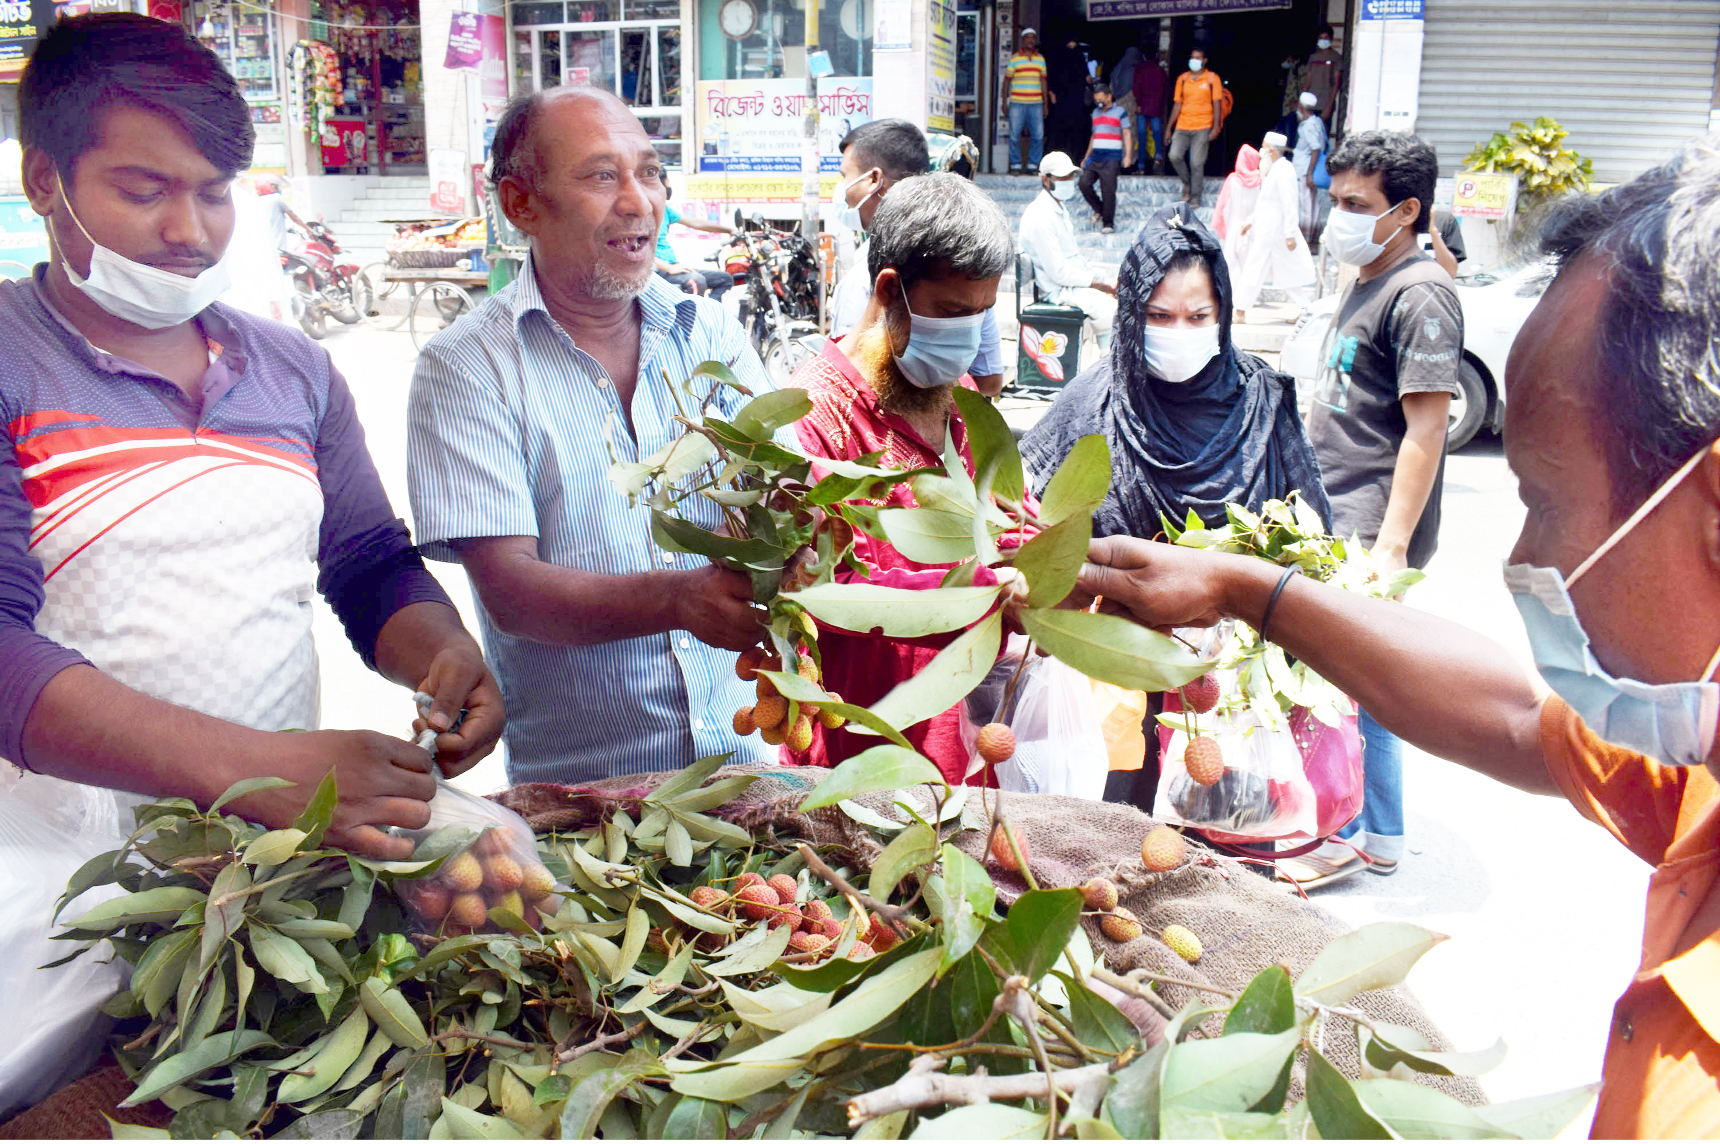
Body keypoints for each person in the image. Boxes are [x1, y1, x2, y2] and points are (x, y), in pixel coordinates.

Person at [1072, 133, 1720, 1139]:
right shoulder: (1696, 758)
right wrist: (1247, 588)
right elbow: (1513, 719)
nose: (1523, 554)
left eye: (1544, 501)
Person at [2, 13, 501, 855]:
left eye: (213, 191)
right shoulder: (15, 363)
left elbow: (368, 563)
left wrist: (445, 652)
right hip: (54, 872)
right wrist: (263, 772)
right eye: (143, 191)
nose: (189, 232)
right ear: (46, 180)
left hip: (263, 876)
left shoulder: (292, 369)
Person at [407, 87, 787, 785]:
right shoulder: (466, 368)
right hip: (584, 802)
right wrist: (677, 600)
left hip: (748, 771)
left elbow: (783, 500)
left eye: (649, 172)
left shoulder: (713, 336)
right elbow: (512, 592)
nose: (639, 201)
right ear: (522, 204)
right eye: (602, 175)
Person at [1021, 203, 1327, 806]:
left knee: (1225, 868)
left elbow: (1310, 535)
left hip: (1226, 697)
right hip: (1113, 686)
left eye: (1198, 315)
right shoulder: (1093, 404)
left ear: (1223, 315)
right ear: (1133, 316)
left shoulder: (1261, 401)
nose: (1179, 331)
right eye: (1159, 316)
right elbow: (1033, 526)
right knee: (1119, 860)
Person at [786, 173, 1022, 783]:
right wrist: (987, 592)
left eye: (983, 314)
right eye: (952, 312)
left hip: (963, 750)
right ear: (890, 290)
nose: (969, 335)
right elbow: (829, 594)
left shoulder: (961, 395)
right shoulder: (811, 417)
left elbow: (998, 518)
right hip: (858, 757)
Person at [1289, 130, 1462, 889]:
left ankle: (1362, 833)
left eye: (1357, 205)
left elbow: (1427, 426)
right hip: (1337, 507)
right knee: (1351, 675)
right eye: (1335, 200)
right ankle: (1369, 826)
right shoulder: (1371, 273)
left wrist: (1390, 546)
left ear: (1407, 210)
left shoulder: (1419, 293)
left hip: (1370, 521)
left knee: (1359, 677)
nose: (1339, 219)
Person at [829, 119, 1004, 396]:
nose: (842, 191)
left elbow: (847, 382)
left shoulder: (956, 265)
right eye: (954, 311)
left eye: (844, 176)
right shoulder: (955, 259)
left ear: (873, 179)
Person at [1018, 151, 1117, 351]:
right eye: (1062, 177)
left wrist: (1102, 279)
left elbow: (1073, 259)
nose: (1068, 181)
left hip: (1067, 285)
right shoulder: (1040, 215)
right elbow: (1058, 273)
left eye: (1070, 176)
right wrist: (1099, 284)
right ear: (1046, 180)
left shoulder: (1059, 209)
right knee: (1111, 310)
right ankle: (1109, 368)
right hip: (1054, 290)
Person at [1232, 132, 1314, 323]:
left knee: (1254, 269)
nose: (1261, 153)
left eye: (1264, 147)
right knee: (1284, 273)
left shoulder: (1284, 170)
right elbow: (1266, 203)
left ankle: (1240, 310)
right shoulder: (1276, 170)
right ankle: (1307, 309)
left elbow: (1289, 204)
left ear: (1271, 150)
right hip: (1267, 230)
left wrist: (1290, 234)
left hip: (1275, 232)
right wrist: (1250, 221)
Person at [653, 172, 733, 299]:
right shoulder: (642, 215)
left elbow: (696, 222)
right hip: (656, 271)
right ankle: (695, 318)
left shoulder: (665, 210)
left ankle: (710, 315)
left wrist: (730, 230)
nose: (669, 188)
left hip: (673, 266)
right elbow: (638, 250)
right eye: (667, 184)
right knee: (697, 281)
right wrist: (668, 268)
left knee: (724, 279)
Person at [1165, 48, 1225, 204]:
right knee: (1174, 155)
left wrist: (1216, 127)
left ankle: (1195, 197)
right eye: (1192, 58)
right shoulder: (1183, 79)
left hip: (1203, 126)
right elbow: (1177, 105)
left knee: (1196, 163)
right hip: (1182, 125)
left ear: (1205, 60)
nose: (1194, 61)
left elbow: (1217, 104)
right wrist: (1168, 128)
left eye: (1198, 58)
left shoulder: (1212, 79)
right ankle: (1187, 184)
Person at [1078, 83, 1132, 235]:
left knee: (1108, 190)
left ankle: (1108, 223)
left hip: (1112, 157)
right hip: (1095, 157)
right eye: (1097, 100)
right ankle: (1099, 209)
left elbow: (1127, 134)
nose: (1099, 103)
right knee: (1083, 183)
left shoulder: (1120, 112)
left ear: (1109, 97)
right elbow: (1094, 136)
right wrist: (1086, 157)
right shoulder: (1095, 113)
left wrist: (1127, 156)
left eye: (1102, 99)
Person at [1002, 29, 1048, 175]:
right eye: (1027, 38)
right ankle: (1015, 165)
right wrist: (1004, 101)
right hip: (1017, 102)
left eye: (1033, 38)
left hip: (1036, 103)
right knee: (1014, 134)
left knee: (1038, 135)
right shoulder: (1015, 59)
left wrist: (1045, 103)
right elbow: (1006, 81)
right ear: (1022, 40)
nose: (1030, 40)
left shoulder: (1040, 59)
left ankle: (1033, 165)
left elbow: (1043, 81)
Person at [1211, 142, 1262, 267]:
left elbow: (1224, 206)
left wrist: (1224, 226)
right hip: (1254, 225)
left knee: (1232, 262)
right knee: (1251, 263)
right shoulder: (1261, 180)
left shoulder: (1233, 179)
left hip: (1234, 224)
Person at [1045, 33, 1093, 160]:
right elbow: (1051, 75)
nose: (1072, 47)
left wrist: (1089, 79)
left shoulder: (1079, 57)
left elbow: (1085, 74)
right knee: (1059, 129)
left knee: (1076, 130)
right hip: (1061, 99)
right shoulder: (1057, 57)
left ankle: (1075, 159)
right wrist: (1051, 93)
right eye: (1069, 45)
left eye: (1074, 45)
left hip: (1076, 100)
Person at [1291, 91, 1328, 246]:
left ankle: (1305, 241)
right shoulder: (1316, 122)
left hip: (1305, 170)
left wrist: (1310, 173)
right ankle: (1312, 240)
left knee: (1306, 207)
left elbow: (1315, 148)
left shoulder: (1309, 126)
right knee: (1312, 205)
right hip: (1306, 169)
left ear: (1302, 106)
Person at [1302, 25, 1342, 122]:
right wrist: (1302, 101)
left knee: (1322, 135)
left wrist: (1329, 106)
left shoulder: (1336, 57)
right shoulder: (1313, 57)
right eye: (1320, 38)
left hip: (1325, 104)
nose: (1323, 40)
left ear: (1331, 39)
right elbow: (1308, 80)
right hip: (1310, 103)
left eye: (1326, 38)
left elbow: (1336, 84)